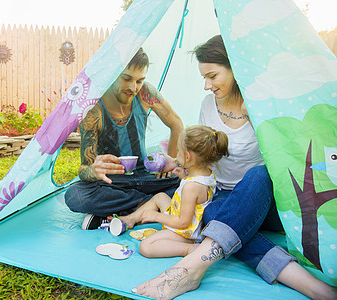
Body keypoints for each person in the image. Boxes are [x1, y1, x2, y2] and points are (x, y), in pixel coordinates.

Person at [132, 35, 337, 300]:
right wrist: (182, 164)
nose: (207, 85)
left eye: (213, 76)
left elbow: (288, 154)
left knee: (259, 174)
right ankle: (318, 290)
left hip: (268, 200)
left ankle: (193, 266)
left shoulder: (260, 106)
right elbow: (206, 155)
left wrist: (259, 117)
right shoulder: (208, 106)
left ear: (235, 69)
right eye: (204, 78)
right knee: (215, 213)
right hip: (224, 200)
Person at [64, 47, 184, 230]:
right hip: (114, 183)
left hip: (147, 176)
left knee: (188, 181)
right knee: (75, 195)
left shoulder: (146, 93)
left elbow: (176, 124)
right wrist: (94, 171)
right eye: (126, 78)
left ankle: (125, 211)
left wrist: (170, 165)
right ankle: (152, 205)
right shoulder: (93, 109)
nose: (133, 87)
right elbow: (84, 168)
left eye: (139, 80)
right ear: (112, 74)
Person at [120, 125, 229, 259]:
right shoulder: (205, 174)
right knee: (160, 197)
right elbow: (196, 197)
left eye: (178, 151)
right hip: (179, 214)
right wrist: (183, 176)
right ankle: (131, 219)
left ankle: (189, 248)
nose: (176, 155)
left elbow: (183, 222)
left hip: (184, 232)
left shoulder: (192, 186)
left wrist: (156, 216)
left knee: (146, 246)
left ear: (187, 156)